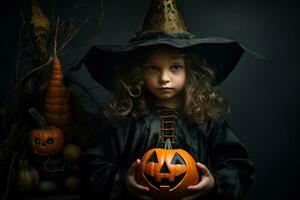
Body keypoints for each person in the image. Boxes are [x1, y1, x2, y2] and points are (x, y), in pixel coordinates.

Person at [81, 0, 255, 199]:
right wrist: (123, 182)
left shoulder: (206, 121)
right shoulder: (126, 120)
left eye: (175, 67)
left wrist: (214, 183)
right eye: (153, 68)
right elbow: (92, 164)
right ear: (138, 72)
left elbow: (238, 164)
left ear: (191, 70)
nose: (164, 78)